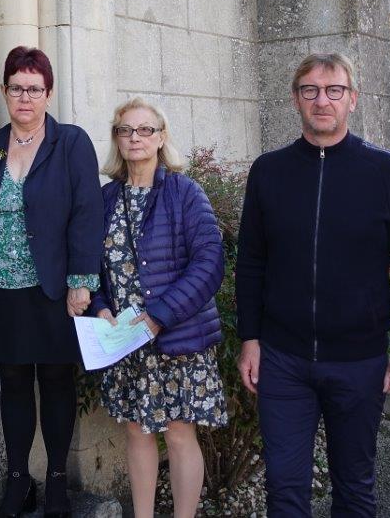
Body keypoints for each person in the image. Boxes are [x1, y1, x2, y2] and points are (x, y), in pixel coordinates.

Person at [236, 52, 390, 517]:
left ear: (352, 99)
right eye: (311, 91)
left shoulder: (386, 172)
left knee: (355, 488)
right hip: (282, 358)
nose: (322, 101)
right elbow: (252, 261)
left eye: (333, 90)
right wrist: (250, 339)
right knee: (284, 490)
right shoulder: (269, 171)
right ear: (296, 100)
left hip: (358, 360)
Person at [0, 46, 103, 518]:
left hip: (54, 289)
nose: (24, 97)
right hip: (2, 286)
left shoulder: (70, 142)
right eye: (16, 88)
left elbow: (88, 211)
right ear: (4, 91)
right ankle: (18, 479)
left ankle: (59, 481)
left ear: (48, 93)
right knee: (13, 382)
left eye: (34, 88)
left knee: (55, 379)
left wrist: (82, 281)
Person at [91, 97, 227, 518]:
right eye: (126, 130)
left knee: (180, 433)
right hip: (127, 340)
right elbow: (90, 266)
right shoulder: (106, 197)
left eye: (145, 129)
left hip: (176, 336)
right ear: (117, 139)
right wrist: (99, 308)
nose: (135, 138)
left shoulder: (184, 193)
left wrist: (159, 316)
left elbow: (209, 263)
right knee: (136, 430)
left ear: (161, 136)